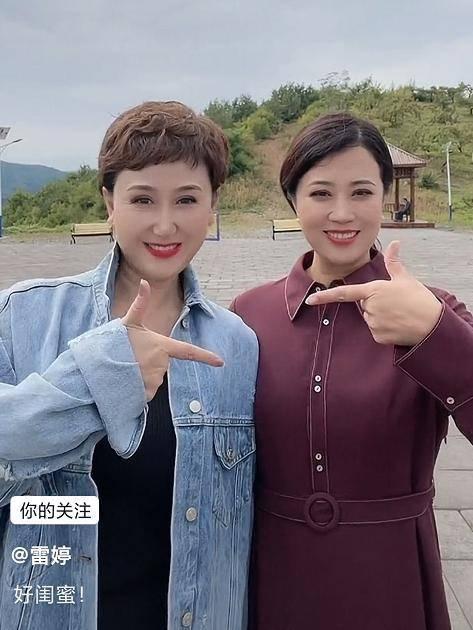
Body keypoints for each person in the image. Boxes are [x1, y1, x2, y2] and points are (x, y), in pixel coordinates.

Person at [0, 101, 258, 630]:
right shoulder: (24, 315)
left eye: (187, 199)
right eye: (142, 199)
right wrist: (101, 371)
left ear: (212, 205)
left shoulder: (237, 344)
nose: (165, 224)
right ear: (109, 203)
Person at [231, 112, 473, 630]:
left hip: (391, 573)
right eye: (320, 193)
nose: (342, 213)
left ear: (385, 196)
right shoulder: (248, 314)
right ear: (293, 199)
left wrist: (434, 333)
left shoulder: (434, 308)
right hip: (277, 571)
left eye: (362, 192)